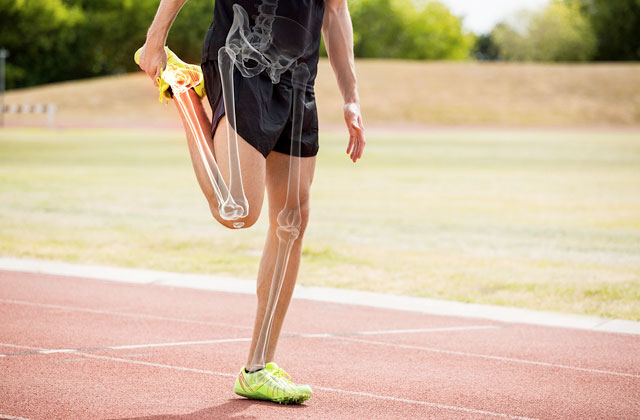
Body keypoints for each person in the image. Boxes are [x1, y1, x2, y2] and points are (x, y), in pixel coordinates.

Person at [136, 0, 365, 404]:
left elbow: (336, 10)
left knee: (292, 220)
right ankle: (184, 92)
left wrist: (351, 98)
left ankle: (257, 368)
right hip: (239, 60)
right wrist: (156, 40)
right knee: (237, 210)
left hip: (298, 77)